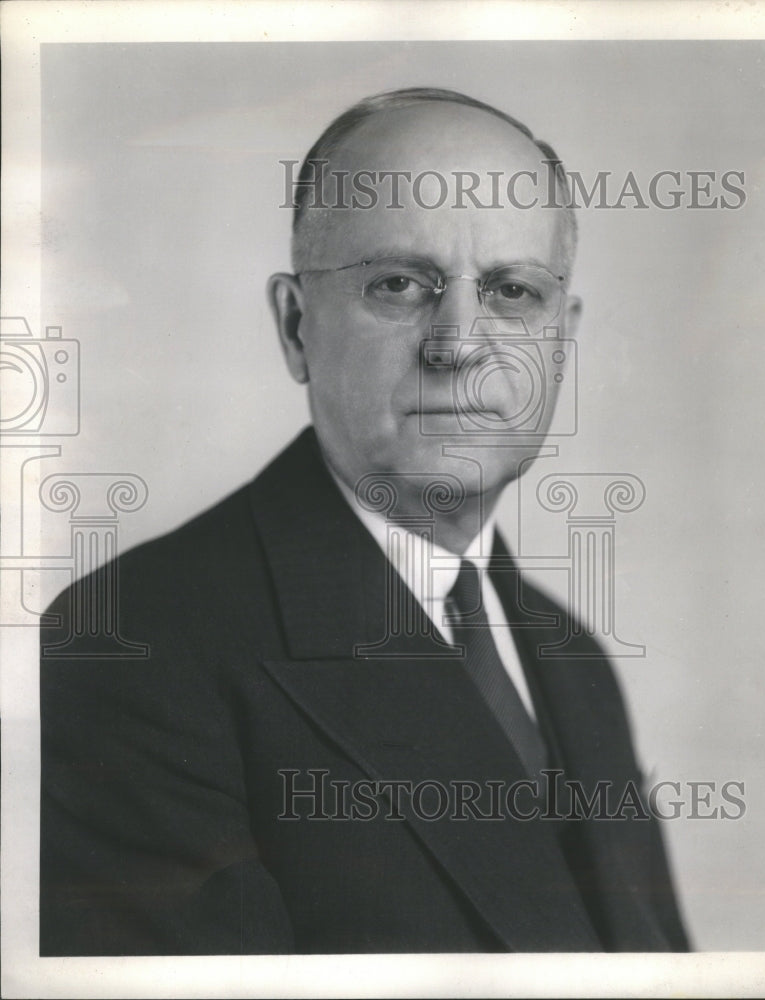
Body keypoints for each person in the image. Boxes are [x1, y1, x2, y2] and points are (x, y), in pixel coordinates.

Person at [40, 88, 689, 955]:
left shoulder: (573, 661)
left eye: (512, 292)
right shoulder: (129, 649)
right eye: (399, 284)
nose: (459, 343)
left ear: (560, 342)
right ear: (297, 326)